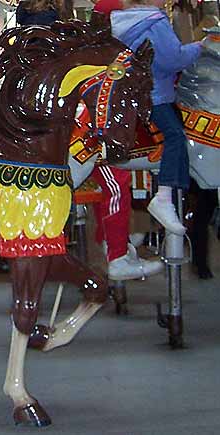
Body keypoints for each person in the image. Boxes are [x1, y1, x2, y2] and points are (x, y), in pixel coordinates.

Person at [111, 0, 202, 235]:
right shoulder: (154, 21)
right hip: (155, 94)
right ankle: (165, 195)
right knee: (175, 136)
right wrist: (200, 47)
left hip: (135, 92)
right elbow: (173, 59)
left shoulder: (127, 20)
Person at [89, 0, 163, 280]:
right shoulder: (110, 56)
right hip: (95, 135)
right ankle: (116, 254)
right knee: (116, 183)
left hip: (100, 132)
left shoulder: (104, 53)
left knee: (114, 183)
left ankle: (112, 241)